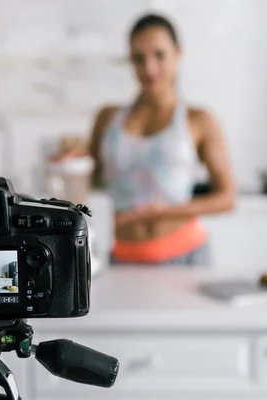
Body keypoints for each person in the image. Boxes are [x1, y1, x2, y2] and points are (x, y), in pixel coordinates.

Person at [87, 13, 236, 266]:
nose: (149, 68)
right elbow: (93, 178)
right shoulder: (108, 118)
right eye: (138, 58)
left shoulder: (198, 120)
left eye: (159, 55)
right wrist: (71, 162)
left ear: (177, 53)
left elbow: (227, 198)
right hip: (122, 258)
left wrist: (166, 211)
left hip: (185, 257)